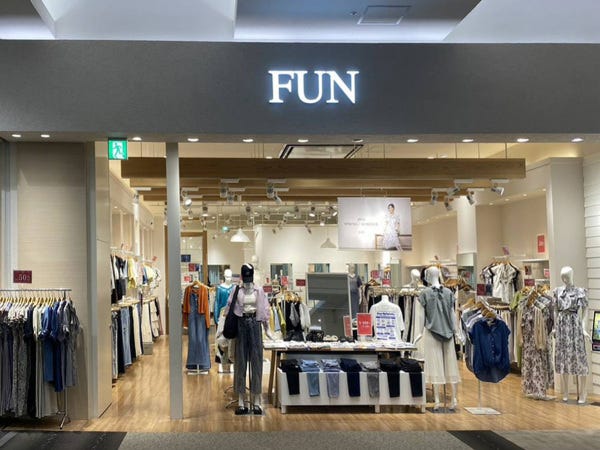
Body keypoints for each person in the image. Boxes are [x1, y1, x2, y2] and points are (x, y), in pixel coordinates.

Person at [227, 263, 273, 415]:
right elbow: (229, 309)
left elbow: (264, 310)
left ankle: (257, 402)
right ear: (242, 276)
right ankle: (241, 402)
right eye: (245, 278)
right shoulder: (236, 290)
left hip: (255, 324)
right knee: (240, 363)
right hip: (241, 325)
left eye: (249, 278)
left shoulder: (259, 291)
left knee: (256, 361)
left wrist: (267, 329)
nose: (247, 282)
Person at [414, 266, 461, 410]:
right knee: (451, 364)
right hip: (448, 332)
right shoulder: (448, 292)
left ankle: (438, 401)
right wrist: (456, 331)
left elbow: (421, 316)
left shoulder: (424, 293)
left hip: (432, 332)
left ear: (428, 275)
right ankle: (453, 399)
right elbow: (452, 314)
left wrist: (419, 333)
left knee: (435, 365)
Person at [553, 266, 590, 404]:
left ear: (572, 276)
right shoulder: (557, 291)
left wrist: (584, 329)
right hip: (562, 327)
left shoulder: (580, 292)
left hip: (575, 326)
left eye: (567, 277)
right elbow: (555, 311)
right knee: (564, 358)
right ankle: (566, 391)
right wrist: (555, 328)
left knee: (580, 359)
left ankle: (583, 392)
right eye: (562, 277)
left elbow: (585, 311)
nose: (565, 279)